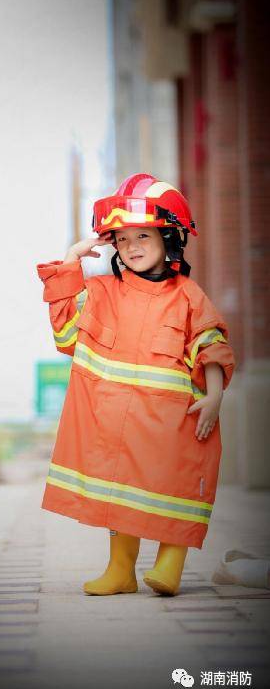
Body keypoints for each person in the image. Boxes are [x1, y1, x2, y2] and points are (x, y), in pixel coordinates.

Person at [37, 173, 235, 596]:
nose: (132, 246)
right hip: (117, 427)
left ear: (170, 238)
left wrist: (215, 396)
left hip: (173, 425)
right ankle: (120, 569)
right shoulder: (100, 292)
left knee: (175, 489)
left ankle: (169, 564)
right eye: (123, 239)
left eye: (143, 235)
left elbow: (210, 346)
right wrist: (71, 260)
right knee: (120, 494)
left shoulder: (188, 296)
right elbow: (66, 334)